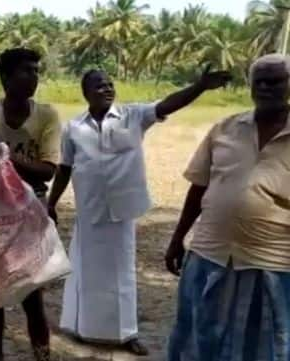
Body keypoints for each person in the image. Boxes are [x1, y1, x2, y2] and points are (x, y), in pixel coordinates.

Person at [47, 66, 231, 355]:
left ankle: (126, 334)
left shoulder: (133, 116)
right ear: (85, 93)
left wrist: (199, 86)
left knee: (122, 274)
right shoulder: (73, 128)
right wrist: (52, 203)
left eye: (110, 84)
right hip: (90, 209)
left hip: (123, 209)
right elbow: (65, 168)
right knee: (87, 271)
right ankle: (83, 328)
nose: (107, 88)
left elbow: (168, 104)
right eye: (99, 85)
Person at [164, 54, 290, 360]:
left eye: (274, 81)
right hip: (210, 255)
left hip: (271, 263)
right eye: (258, 81)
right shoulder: (225, 129)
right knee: (200, 340)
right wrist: (177, 238)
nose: (265, 87)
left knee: (263, 347)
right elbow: (199, 188)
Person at [0, 47, 61, 361]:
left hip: (30, 212)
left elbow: (48, 170)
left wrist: (5, 155)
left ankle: (42, 355)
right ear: (5, 77)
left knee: (32, 296)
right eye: (25, 71)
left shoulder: (46, 115)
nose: (33, 77)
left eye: (36, 71)